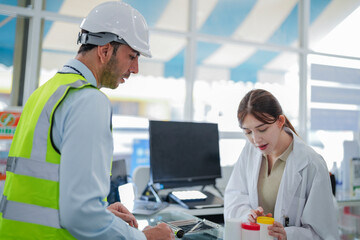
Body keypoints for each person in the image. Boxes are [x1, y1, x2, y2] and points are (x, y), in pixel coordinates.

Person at [0, 2, 174, 239]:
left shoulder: (45, 94)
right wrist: (145, 237)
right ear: (104, 51)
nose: (135, 68)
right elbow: (81, 216)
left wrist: (100, 213)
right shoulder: (88, 100)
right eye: (131, 56)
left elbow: (42, 191)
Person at [224, 89, 339, 240]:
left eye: (262, 129)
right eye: (248, 132)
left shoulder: (312, 164)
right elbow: (234, 197)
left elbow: (324, 234)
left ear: (280, 121)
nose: (256, 139)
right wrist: (249, 216)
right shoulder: (249, 152)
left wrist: (287, 235)